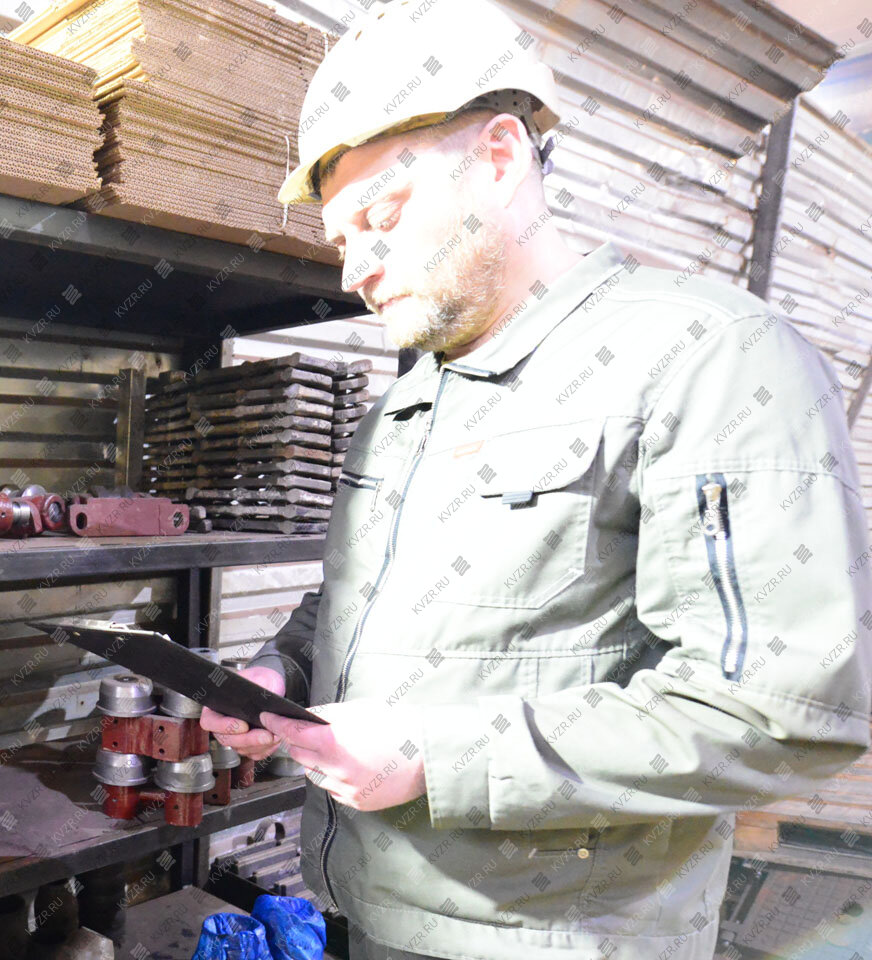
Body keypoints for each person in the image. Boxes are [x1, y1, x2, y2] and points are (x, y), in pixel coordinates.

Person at [199, 2, 872, 959]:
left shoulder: (708, 358)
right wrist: (279, 672)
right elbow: (357, 598)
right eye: (343, 239)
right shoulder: (408, 407)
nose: (356, 270)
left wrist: (438, 759)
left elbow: (783, 711)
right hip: (372, 910)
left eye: (382, 217)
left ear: (500, 157)